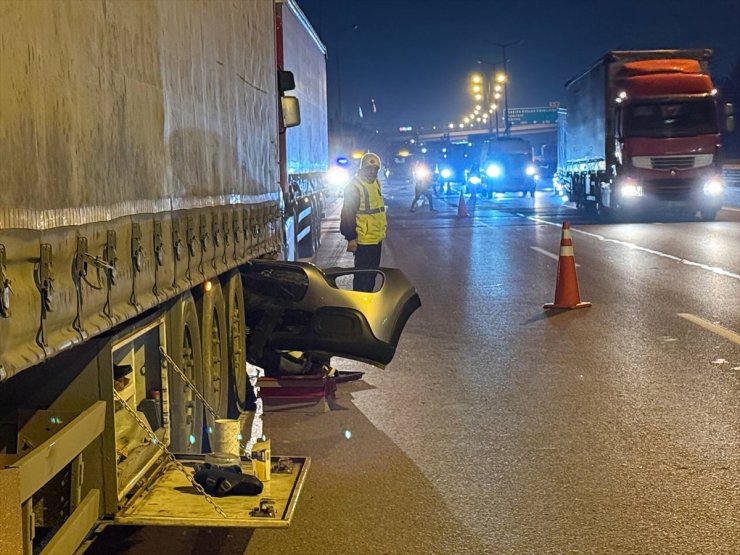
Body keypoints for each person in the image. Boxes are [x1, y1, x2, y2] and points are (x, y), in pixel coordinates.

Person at [340, 152, 387, 292]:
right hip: (363, 240)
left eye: (375, 169)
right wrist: (351, 238)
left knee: (372, 275)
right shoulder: (354, 187)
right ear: (361, 169)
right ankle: (360, 306)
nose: (372, 172)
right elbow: (347, 214)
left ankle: (368, 302)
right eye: (369, 169)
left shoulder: (376, 183)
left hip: (376, 238)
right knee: (362, 277)